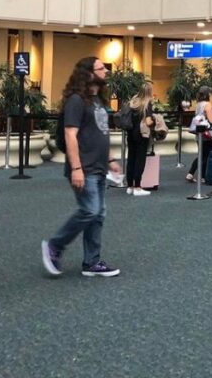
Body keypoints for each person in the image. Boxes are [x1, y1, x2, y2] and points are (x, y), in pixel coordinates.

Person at [41, 57, 125, 279]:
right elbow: (70, 134)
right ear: (88, 73)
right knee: (89, 210)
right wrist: (76, 167)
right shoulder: (76, 100)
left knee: (98, 215)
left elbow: (99, 132)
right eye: (101, 68)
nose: (106, 71)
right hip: (83, 167)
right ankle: (54, 246)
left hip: (98, 167)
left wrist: (109, 160)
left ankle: (92, 262)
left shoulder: (97, 100)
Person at [125, 82, 155, 197]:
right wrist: (155, 120)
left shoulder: (133, 101)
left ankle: (130, 186)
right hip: (142, 134)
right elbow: (148, 122)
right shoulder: (147, 104)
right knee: (140, 159)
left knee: (131, 158)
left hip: (130, 132)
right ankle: (137, 186)